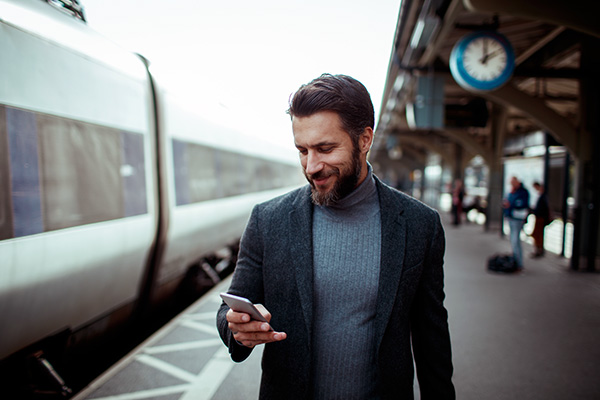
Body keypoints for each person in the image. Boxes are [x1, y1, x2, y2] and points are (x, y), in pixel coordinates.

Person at [216, 73, 455, 399]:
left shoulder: (419, 225)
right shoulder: (267, 220)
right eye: (302, 150)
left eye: (325, 148)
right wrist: (238, 328)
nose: (311, 166)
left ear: (364, 140)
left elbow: (432, 340)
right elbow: (231, 308)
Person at [503, 176, 530, 269]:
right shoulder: (512, 191)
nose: (512, 184)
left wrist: (510, 205)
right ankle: (515, 260)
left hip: (517, 218)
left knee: (515, 240)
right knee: (513, 239)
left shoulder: (522, 192)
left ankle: (518, 263)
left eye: (513, 182)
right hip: (511, 217)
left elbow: (521, 203)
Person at [530, 182, 551, 257]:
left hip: (540, 218)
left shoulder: (543, 197)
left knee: (538, 235)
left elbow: (544, 209)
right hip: (538, 217)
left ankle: (539, 250)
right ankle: (538, 249)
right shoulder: (541, 196)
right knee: (537, 235)